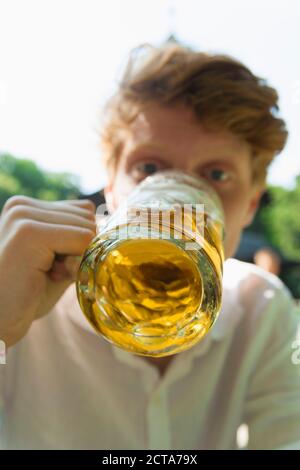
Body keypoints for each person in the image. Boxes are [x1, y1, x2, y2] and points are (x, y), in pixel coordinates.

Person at [0, 43, 299, 450]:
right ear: (111, 188)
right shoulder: (23, 290)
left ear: (249, 205)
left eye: (216, 173)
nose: (181, 198)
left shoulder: (263, 307)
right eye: (150, 169)